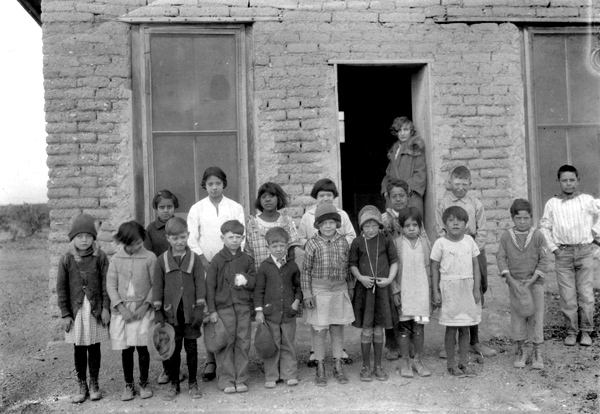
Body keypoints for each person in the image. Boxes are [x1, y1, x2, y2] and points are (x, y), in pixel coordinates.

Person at [187, 167, 245, 381]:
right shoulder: (197, 209)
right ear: (205, 185)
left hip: (231, 264)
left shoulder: (235, 207)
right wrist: (204, 261)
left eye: (218, 183)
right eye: (210, 184)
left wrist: (232, 261)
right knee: (210, 310)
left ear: (224, 184)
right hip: (206, 266)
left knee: (229, 308)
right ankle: (211, 359)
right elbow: (191, 239)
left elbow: (241, 236)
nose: (214, 187)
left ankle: (231, 358)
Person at [435, 165, 496, 358]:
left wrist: (471, 249)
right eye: (456, 183)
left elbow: (483, 230)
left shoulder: (475, 203)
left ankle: (474, 342)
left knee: (475, 292)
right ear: (449, 183)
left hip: (474, 251)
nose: (460, 187)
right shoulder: (442, 202)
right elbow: (439, 228)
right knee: (453, 293)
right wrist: (454, 246)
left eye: (464, 184)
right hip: (451, 252)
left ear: (470, 184)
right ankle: (450, 344)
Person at [298, 178, 356, 366]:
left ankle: (339, 360)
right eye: (321, 195)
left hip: (338, 288)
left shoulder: (342, 226)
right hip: (319, 287)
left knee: (337, 325)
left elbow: (348, 264)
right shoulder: (309, 220)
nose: (328, 226)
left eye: (328, 195)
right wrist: (307, 292)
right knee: (319, 326)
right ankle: (318, 359)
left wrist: (350, 287)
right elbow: (306, 269)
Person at [540, 164, 600, 347]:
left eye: (571, 180)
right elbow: (544, 227)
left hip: (584, 252)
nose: (568, 184)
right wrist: (554, 249)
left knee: (586, 294)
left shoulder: (587, 200)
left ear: (577, 181)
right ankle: (572, 332)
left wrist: (594, 234)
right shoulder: (552, 203)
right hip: (563, 253)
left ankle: (587, 332)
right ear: (558, 182)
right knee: (567, 296)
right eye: (564, 180)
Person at [56, 214, 110, 403]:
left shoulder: (100, 257)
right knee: (79, 348)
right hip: (77, 311)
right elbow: (61, 288)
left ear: (94, 237)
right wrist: (65, 313)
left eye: (88, 235)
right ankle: (82, 384)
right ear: (73, 238)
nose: (84, 240)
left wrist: (105, 308)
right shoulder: (67, 259)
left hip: (94, 310)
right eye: (80, 236)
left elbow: (106, 284)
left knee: (94, 347)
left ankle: (94, 383)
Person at [153, 217, 206, 401]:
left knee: (191, 347)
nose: (179, 242)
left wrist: (200, 307)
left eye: (182, 237)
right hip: (171, 314)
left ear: (188, 235)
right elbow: (157, 287)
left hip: (191, 313)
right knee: (173, 349)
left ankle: (193, 382)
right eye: (175, 238)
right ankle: (174, 384)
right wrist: (158, 310)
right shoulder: (161, 261)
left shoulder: (195, 260)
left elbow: (200, 283)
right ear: (168, 238)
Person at [497, 199, 550, 369]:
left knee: (536, 315)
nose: (522, 222)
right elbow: (500, 258)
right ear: (512, 218)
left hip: (534, 283)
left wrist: (532, 280)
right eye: (518, 218)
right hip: (516, 284)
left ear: (531, 218)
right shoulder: (506, 236)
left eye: (526, 218)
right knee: (518, 316)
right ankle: (521, 349)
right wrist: (511, 281)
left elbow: (544, 259)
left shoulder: (537, 236)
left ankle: (536, 350)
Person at [107, 221, 156, 401]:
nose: (137, 246)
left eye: (139, 242)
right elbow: (111, 285)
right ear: (123, 241)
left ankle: (144, 383)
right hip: (124, 312)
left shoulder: (150, 258)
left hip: (142, 311)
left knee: (142, 348)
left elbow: (155, 284)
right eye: (132, 243)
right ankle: (128, 385)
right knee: (126, 350)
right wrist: (120, 307)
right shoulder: (116, 259)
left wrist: (145, 306)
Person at [206, 220, 257, 393]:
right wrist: (212, 310)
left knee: (243, 342)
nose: (235, 240)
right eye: (231, 237)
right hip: (224, 308)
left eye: (238, 237)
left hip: (242, 307)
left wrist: (246, 279)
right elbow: (209, 287)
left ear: (242, 238)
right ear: (222, 238)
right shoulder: (217, 260)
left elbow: (255, 280)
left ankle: (241, 378)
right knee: (226, 342)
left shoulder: (246, 259)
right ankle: (226, 379)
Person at [381, 178, 429, 360]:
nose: (398, 199)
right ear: (388, 197)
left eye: (402, 195)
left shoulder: (414, 218)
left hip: (411, 267)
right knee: (393, 307)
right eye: (394, 196)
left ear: (408, 197)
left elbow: (424, 240)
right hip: (390, 268)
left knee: (409, 308)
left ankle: (410, 344)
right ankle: (392, 344)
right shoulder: (384, 219)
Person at [349, 206, 398, 382]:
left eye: (374, 225)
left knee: (379, 329)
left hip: (382, 289)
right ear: (361, 227)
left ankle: (378, 365)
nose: (370, 229)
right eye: (366, 226)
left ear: (379, 226)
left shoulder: (386, 240)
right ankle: (365, 366)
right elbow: (352, 264)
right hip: (365, 290)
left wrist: (389, 279)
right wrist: (361, 278)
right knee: (367, 329)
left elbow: (394, 261)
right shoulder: (357, 242)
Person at [431, 206, 481, 378]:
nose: (455, 223)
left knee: (465, 328)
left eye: (459, 220)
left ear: (465, 224)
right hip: (449, 289)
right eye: (451, 220)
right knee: (451, 328)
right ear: (444, 224)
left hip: (466, 288)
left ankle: (463, 363)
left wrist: (476, 289)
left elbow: (476, 265)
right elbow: (435, 268)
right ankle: (451, 364)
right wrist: (436, 291)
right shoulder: (440, 243)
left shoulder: (469, 241)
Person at [254, 227, 302, 388]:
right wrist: (259, 311)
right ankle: (272, 376)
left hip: (288, 312)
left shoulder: (292, 266)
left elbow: (298, 287)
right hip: (270, 313)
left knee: (288, 342)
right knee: (272, 344)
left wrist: (296, 301)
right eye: (274, 246)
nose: (279, 249)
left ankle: (289, 374)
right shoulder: (264, 266)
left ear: (287, 246)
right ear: (268, 247)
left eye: (282, 246)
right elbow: (259, 290)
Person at [143, 190, 182, 385]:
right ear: (156, 209)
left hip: (180, 282)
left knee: (180, 326)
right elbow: (149, 257)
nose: (166, 211)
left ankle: (178, 367)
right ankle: (167, 369)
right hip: (162, 282)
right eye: (162, 207)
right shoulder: (151, 230)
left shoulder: (180, 226)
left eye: (169, 207)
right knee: (164, 327)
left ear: (175, 208)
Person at [392, 207, 432, 378]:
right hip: (405, 294)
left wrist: (432, 293)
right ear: (401, 227)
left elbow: (430, 268)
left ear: (420, 226)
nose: (411, 228)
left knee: (419, 328)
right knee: (404, 329)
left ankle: (418, 359)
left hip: (422, 294)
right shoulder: (397, 244)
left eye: (415, 224)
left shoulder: (425, 243)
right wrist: (395, 292)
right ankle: (405, 361)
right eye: (407, 225)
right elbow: (392, 270)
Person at [245, 182, 300, 268]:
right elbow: (249, 253)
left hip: (283, 276)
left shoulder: (287, 221)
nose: (267, 200)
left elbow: (291, 251)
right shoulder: (252, 224)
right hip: (259, 275)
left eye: (271, 196)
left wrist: (289, 272)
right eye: (263, 197)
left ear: (278, 198)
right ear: (259, 200)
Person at [381, 117, 427, 214]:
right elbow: (388, 174)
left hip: (410, 195)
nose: (402, 133)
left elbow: (420, 173)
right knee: (393, 225)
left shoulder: (416, 147)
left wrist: (406, 189)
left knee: (411, 224)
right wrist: (385, 190)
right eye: (399, 130)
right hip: (394, 196)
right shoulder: (394, 149)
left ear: (411, 131)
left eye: (406, 130)